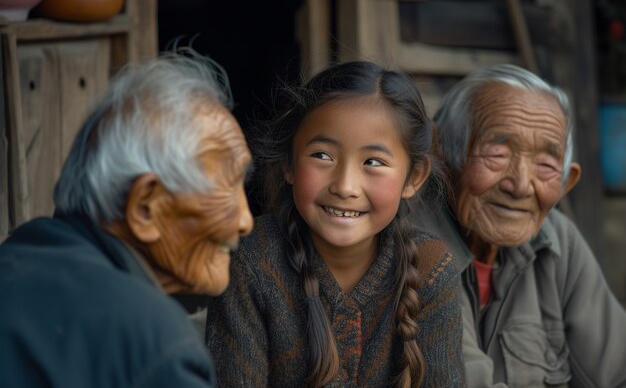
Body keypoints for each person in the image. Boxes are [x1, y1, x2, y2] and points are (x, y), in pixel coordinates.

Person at [0, 49, 254, 388]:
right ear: (145, 207)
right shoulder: (155, 345)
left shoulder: (18, 254)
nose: (246, 220)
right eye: (226, 187)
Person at [204, 61, 466, 388]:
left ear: (413, 178)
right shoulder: (252, 261)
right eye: (323, 156)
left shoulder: (431, 267)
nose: (344, 186)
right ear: (288, 163)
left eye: (373, 162)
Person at [416, 63, 626, 387]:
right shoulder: (411, 242)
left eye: (545, 165)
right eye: (497, 153)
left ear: (565, 184)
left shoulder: (558, 241)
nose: (521, 185)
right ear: (441, 152)